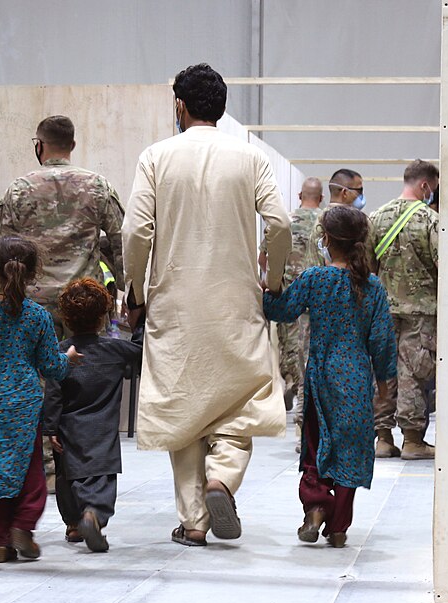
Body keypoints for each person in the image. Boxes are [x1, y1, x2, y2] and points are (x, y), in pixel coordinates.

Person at [123, 63, 292, 547]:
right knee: (241, 399)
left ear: (180, 105)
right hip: (236, 300)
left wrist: (135, 292)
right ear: (222, 106)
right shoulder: (249, 157)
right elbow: (278, 223)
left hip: (174, 303)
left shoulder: (156, 156)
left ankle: (194, 520)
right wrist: (271, 278)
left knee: (185, 406)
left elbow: (136, 232)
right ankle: (223, 479)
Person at [0, 115, 126, 491]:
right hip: (84, 303)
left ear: (40, 145)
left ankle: (43, 469)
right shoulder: (98, 187)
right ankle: (81, 468)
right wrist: (130, 295)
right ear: (72, 145)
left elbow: (1, 250)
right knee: (83, 385)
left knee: (36, 384)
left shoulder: (19, 189)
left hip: (30, 305)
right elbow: (122, 242)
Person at [263, 205, 397, 547]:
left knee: (316, 446)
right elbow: (381, 341)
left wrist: (268, 283)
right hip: (356, 378)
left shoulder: (314, 279)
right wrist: (384, 382)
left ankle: (316, 506)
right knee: (350, 452)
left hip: (321, 376)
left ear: (324, 239)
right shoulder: (373, 287)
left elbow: (281, 310)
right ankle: (338, 529)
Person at [0, 236, 83, 563]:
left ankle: (1, 543)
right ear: (33, 272)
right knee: (30, 474)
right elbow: (51, 366)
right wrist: (69, 358)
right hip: (23, 405)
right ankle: (23, 525)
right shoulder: (37, 316)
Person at [43, 278, 142, 553]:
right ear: (102, 317)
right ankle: (94, 515)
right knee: (101, 479)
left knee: (67, 479)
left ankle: (74, 524)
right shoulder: (115, 350)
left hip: (68, 429)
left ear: (66, 318)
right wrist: (141, 319)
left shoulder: (62, 353)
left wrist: (50, 428)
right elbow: (143, 349)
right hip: (103, 430)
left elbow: (53, 392)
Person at [367, 160, 439, 460]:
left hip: (383, 309)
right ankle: (412, 440)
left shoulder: (375, 217)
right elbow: (441, 262)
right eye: (433, 188)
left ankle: (382, 438)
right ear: (424, 185)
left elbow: (368, 266)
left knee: (382, 372)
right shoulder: (430, 220)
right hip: (421, 312)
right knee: (413, 372)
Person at [265, 177, 323, 433]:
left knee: (290, 349)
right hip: (316, 300)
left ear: (300, 195)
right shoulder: (325, 222)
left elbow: (263, 258)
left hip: (288, 298)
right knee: (308, 353)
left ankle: (290, 381)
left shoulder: (285, 222)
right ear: (321, 198)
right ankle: (304, 403)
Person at [310, 168, 365, 264]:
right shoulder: (360, 223)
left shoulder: (318, 221)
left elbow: (313, 262)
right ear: (344, 193)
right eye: (359, 190)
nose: (361, 195)